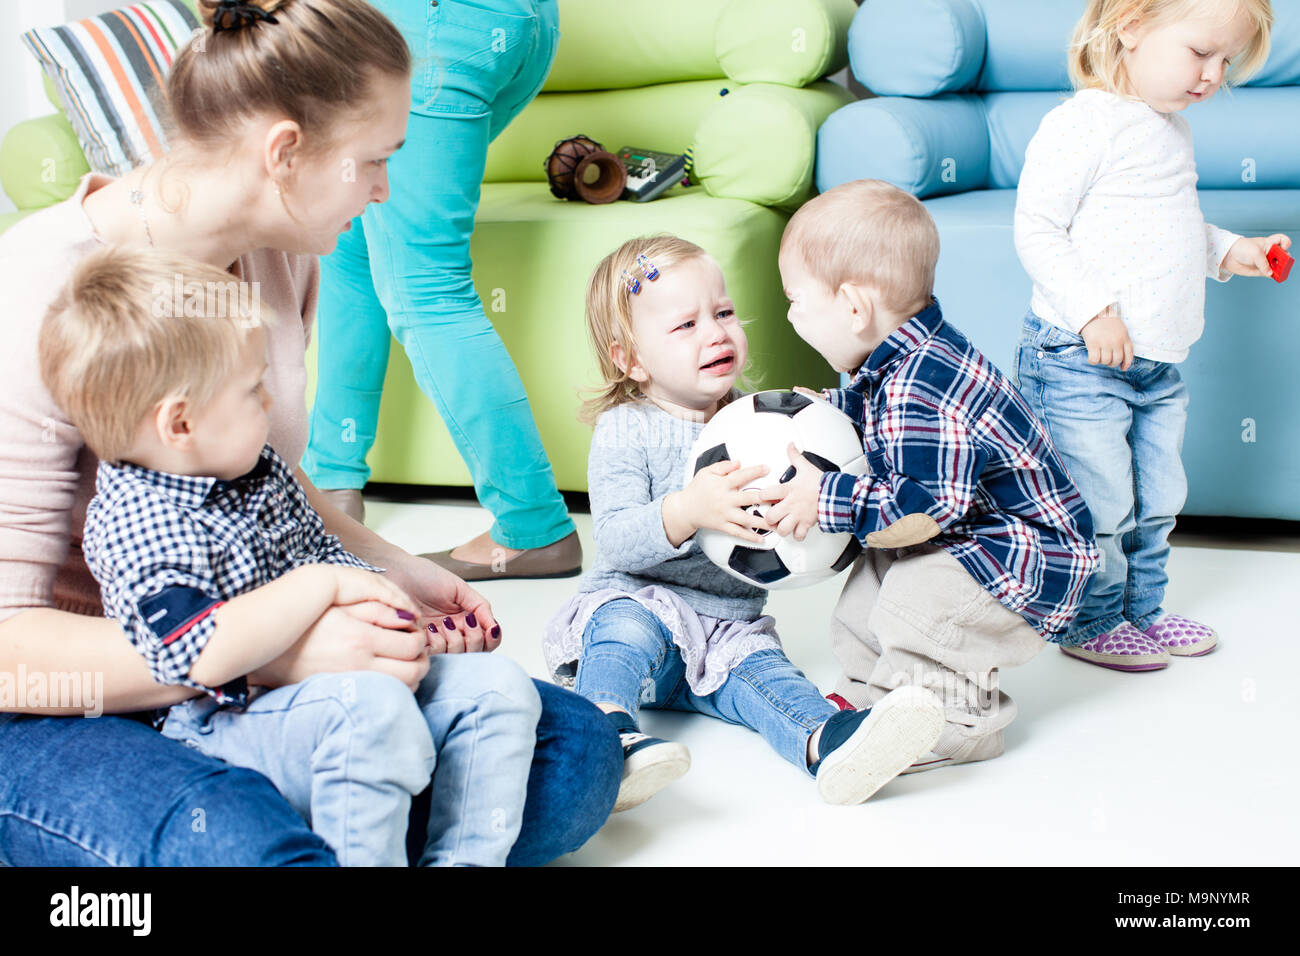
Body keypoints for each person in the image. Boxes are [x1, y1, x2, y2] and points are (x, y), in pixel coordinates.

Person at [0, 0, 618, 867]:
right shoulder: (38, 289)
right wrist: (269, 656)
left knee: (574, 753)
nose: (384, 191)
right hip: (76, 694)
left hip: (255, 679)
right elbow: (5, 649)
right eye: (374, 161)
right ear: (284, 152)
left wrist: (398, 575)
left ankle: (331, 820)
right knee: (243, 842)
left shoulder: (280, 252)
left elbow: (263, 491)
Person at [40, 247, 544, 866]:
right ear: (179, 424)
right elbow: (192, 652)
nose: (271, 404)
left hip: (326, 686)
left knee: (500, 687)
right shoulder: (137, 520)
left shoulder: (258, 470)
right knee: (374, 711)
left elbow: (327, 551)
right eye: (252, 390)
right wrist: (317, 586)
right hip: (218, 722)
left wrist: (397, 624)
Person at [543, 235, 948, 812]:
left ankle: (828, 741)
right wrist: (688, 509)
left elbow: (791, 523)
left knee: (769, 678)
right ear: (630, 359)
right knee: (623, 629)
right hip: (641, 597)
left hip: (726, 628)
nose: (716, 333)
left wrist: (810, 500)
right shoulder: (627, 428)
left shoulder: (761, 420)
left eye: (725, 313)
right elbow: (613, 537)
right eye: (686, 326)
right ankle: (607, 735)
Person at [767, 180, 1100, 772]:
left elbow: (921, 511)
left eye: (795, 299)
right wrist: (821, 414)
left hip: (1022, 556)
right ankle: (880, 702)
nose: (789, 314)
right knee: (866, 595)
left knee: (915, 605)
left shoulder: (921, 386)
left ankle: (960, 722)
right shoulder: (896, 365)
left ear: (852, 307)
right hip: (970, 540)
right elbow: (877, 422)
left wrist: (826, 496)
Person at [1014, 0, 1288, 670]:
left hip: (1156, 363)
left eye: (1227, 63)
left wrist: (1230, 252)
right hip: (1080, 359)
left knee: (1158, 499)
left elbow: (1167, 231)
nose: (1213, 75)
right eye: (1201, 53)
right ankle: (1089, 619)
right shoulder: (1082, 124)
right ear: (1131, 27)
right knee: (1099, 499)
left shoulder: (1169, 129)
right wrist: (1091, 310)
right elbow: (1037, 230)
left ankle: (1141, 611)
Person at [304, 0, 583, 581]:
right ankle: (331, 481)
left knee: (427, 288)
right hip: (520, 24)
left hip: (430, 26)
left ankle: (533, 528)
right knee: (353, 239)